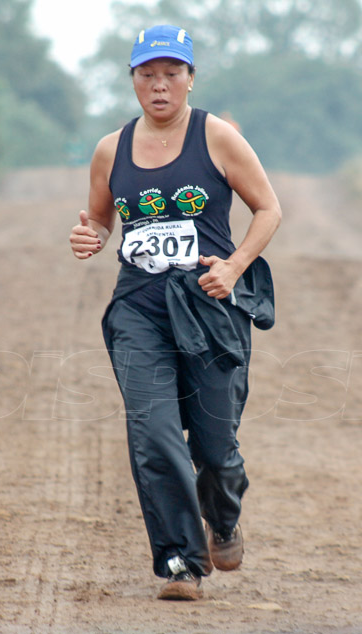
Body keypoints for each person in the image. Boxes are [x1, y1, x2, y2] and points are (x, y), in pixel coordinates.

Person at [69, 24, 281, 601]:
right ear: (133, 80)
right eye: (147, 75)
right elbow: (100, 218)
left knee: (215, 447)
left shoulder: (217, 137)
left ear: (190, 78)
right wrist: (90, 236)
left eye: (171, 74)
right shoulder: (111, 148)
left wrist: (234, 268)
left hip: (209, 305)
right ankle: (180, 563)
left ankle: (224, 520)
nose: (159, 86)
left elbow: (268, 208)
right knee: (154, 433)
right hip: (139, 306)